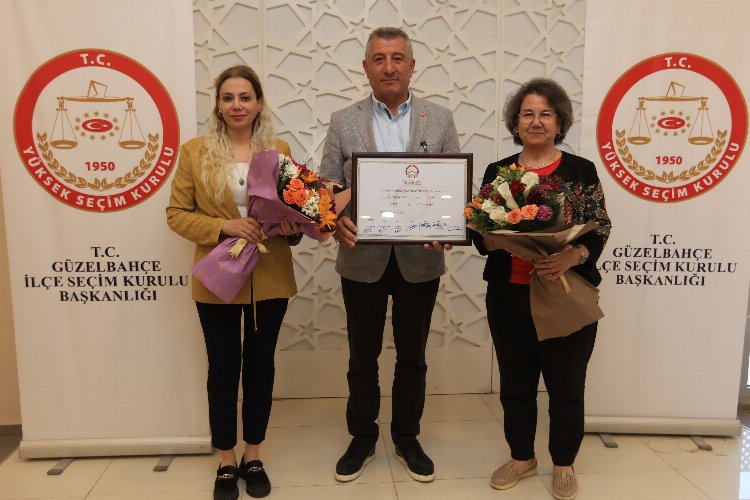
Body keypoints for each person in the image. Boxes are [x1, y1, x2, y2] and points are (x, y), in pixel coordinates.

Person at [320, 26, 460, 484]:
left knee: (412, 356)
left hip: (420, 259)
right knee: (362, 358)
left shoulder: (440, 119)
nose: (389, 67)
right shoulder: (344, 120)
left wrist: (447, 226)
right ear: (366, 67)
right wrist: (333, 220)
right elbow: (327, 187)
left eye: (397, 58)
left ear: (412, 66)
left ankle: (406, 437)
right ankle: (361, 438)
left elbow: (451, 188)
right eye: (379, 59)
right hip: (362, 257)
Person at [472, 78, 611, 500]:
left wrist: (574, 255)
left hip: (564, 291)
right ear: (516, 122)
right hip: (509, 295)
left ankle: (564, 464)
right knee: (516, 384)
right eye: (528, 114)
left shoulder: (580, 171)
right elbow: (480, 233)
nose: (536, 121)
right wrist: (494, 239)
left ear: (559, 122)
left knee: (566, 385)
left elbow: (599, 227)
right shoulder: (499, 172)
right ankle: (521, 457)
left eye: (545, 114)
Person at [167, 65, 301, 500]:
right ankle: (226, 459)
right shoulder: (194, 152)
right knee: (223, 369)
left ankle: (253, 455)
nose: (237, 105)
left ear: (259, 103)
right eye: (228, 97)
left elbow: (296, 216)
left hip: (270, 277)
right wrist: (224, 226)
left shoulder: (278, 151)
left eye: (245, 97)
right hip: (218, 279)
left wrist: (295, 225)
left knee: (261, 367)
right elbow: (176, 214)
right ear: (218, 105)